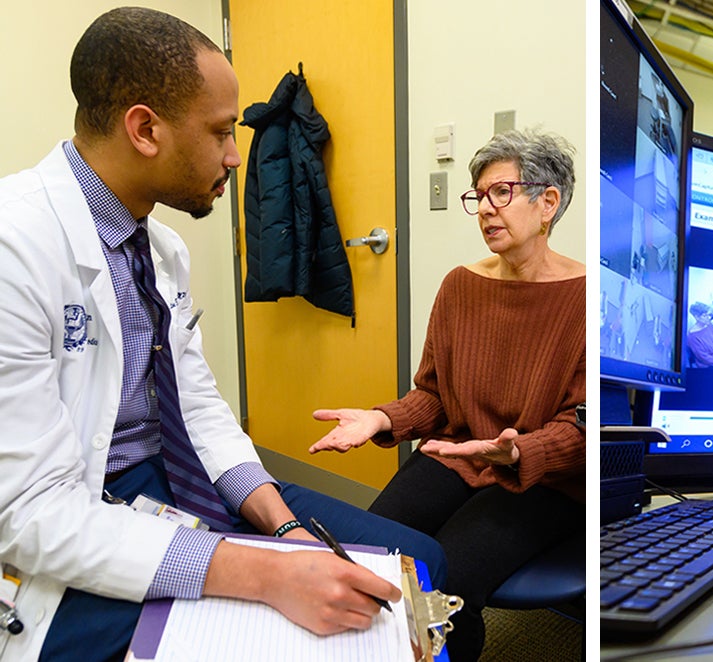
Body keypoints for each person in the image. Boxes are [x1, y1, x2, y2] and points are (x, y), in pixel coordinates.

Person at [0, 9, 443, 661]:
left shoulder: (163, 250)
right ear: (144, 128)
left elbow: (198, 408)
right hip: (80, 509)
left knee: (420, 566)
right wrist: (267, 573)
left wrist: (283, 529)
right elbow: (30, 514)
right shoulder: (16, 246)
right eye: (220, 133)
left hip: (176, 482)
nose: (236, 157)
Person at [309, 129, 585, 661]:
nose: (485, 209)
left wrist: (521, 451)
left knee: (443, 589)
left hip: (540, 479)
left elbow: (580, 426)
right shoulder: (460, 285)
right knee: (374, 559)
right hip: (455, 455)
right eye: (478, 196)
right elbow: (434, 396)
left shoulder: (585, 296)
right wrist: (381, 420)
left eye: (500, 193)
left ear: (547, 202)